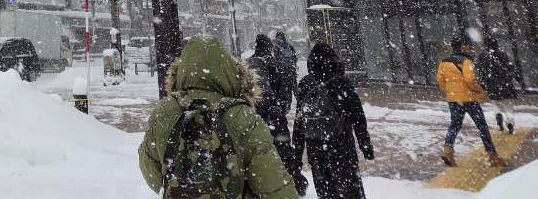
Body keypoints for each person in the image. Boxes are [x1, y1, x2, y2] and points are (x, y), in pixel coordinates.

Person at [139, 34, 298, 198]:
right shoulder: (243, 116)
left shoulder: (163, 112)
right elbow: (274, 186)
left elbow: (152, 173)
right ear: (229, 72)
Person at [293, 43, 374, 199]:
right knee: (350, 190)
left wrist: (296, 155)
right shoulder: (342, 82)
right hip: (341, 147)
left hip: (315, 149)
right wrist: (365, 145)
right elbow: (358, 117)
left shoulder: (305, 83)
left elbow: (299, 123)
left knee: (325, 192)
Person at [249, 34, 308, 195]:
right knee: (284, 152)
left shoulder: (247, 65)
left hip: (254, 117)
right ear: (269, 47)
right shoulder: (276, 64)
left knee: (259, 152)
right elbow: (285, 95)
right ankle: (294, 185)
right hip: (275, 117)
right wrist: (280, 109)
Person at [437, 35, 503, 166]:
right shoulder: (467, 61)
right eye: (467, 45)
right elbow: (470, 80)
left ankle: (448, 151)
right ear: (461, 46)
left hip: (454, 100)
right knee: (482, 126)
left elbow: (440, 80)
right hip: (469, 99)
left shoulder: (443, 61)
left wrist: (451, 92)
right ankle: (492, 155)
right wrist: (480, 91)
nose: (470, 47)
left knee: (455, 125)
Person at [478, 35, 523, 135]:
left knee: (496, 103)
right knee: (508, 105)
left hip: (492, 85)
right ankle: (510, 124)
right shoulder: (503, 55)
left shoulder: (483, 56)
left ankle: (498, 116)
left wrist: (482, 84)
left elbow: (481, 72)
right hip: (506, 84)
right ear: (496, 45)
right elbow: (510, 68)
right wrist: (518, 79)